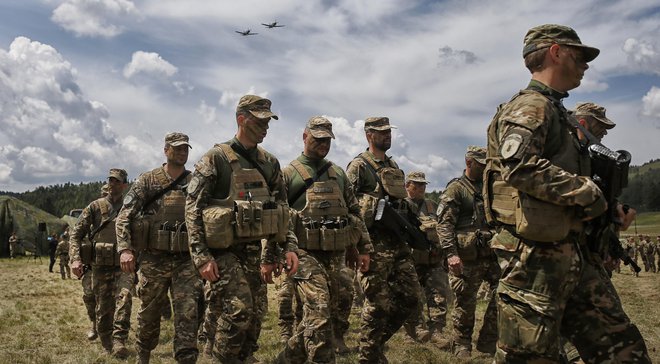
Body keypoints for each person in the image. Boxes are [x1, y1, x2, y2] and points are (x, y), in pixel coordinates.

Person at [483, 24, 650, 362]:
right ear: (556, 52)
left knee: (624, 349)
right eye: (579, 56)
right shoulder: (531, 106)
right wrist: (586, 192)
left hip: (573, 256)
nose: (585, 65)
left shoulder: (558, 112)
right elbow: (520, 167)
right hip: (534, 262)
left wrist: (606, 210)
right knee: (528, 356)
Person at [185, 94, 300, 363]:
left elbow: (281, 211)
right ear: (241, 119)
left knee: (256, 315)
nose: (266, 127)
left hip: (252, 250)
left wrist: (284, 250)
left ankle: (240, 356)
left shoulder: (270, 162)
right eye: (260, 121)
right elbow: (192, 210)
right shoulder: (215, 159)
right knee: (239, 309)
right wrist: (201, 257)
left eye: (268, 121)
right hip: (222, 252)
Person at [277, 116, 372, 363]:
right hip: (303, 253)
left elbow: (353, 213)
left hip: (336, 253)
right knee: (318, 309)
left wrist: (361, 247)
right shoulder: (287, 174)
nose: (323, 144)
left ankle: (288, 357)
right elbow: (277, 217)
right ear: (304, 136)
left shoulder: (338, 173)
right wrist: (280, 253)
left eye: (327, 140)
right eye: (317, 138)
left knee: (330, 309)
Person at [115, 132, 203, 364]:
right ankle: (143, 355)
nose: (182, 152)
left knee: (188, 313)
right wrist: (125, 249)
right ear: (166, 150)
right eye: (177, 148)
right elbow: (124, 216)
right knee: (149, 313)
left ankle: (186, 358)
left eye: (186, 148)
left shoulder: (195, 181)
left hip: (186, 260)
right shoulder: (148, 180)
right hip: (154, 260)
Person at [346, 116, 422, 363]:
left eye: (389, 131)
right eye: (381, 132)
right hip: (373, 244)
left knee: (411, 297)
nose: (387, 135)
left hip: (397, 243)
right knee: (377, 304)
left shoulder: (393, 165)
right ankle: (368, 357)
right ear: (369, 135)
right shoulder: (358, 166)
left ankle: (374, 346)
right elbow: (348, 206)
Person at [436, 147, 499, 357]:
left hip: (490, 254)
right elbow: (444, 225)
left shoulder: (489, 188)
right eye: (480, 164)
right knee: (466, 304)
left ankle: (488, 340)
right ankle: (462, 344)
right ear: (469, 162)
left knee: (505, 294)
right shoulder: (456, 189)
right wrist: (451, 254)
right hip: (466, 257)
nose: (484, 168)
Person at [69, 168, 134, 358]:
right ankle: (106, 341)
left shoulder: (131, 208)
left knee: (125, 299)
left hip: (123, 267)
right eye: (110, 180)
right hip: (99, 265)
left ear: (124, 185)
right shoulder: (95, 207)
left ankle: (119, 340)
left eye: (117, 181)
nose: (113, 184)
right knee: (103, 307)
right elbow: (76, 234)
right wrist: (75, 258)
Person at [402, 171, 450, 345]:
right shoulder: (401, 206)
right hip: (410, 260)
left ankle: (436, 331)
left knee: (438, 295)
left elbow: (442, 229)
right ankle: (412, 331)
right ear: (407, 186)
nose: (421, 188)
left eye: (423, 184)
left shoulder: (431, 205)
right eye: (416, 184)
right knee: (412, 296)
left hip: (433, 260)